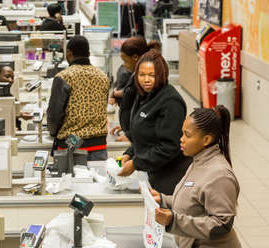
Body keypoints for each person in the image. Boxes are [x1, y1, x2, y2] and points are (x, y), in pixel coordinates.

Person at [153, 105, 243, 248]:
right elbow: (192, 202)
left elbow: (222, 224)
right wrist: (162, 199)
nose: (181, 139)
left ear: (206, 140)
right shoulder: (198, 161)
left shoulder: (219, 174)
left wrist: (173, 221)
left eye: (187, 135)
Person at [118, 49, 191, 194]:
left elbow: (169, 146)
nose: (146, 80)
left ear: (161, 74)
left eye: (152, 75)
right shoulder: (144, 95)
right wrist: (129, 154)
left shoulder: (171, 101)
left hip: (170, 175)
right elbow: (146, 135)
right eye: (142, 75)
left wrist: (136, 163)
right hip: (152, 170)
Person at [47, 35, 110, 161]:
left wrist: (53, 133)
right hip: (98, 145)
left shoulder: (64, 77)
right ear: (89, 53)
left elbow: (54, 115)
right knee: (99, 180)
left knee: (68, 180)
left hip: (71, 145)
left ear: (69, 53)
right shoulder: (103, 76)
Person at [109, 36, 160, 142]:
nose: (124, 65)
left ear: (136, 57)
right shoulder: (133, 76)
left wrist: (131, 135)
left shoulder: (149, 86)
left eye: (125, 61)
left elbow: (149, 118)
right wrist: (128, 130)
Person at [0, 65, 32, 130]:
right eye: (7, 76)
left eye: (12, 78)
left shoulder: (10, 96)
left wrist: (19, 113)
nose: (10, 80)